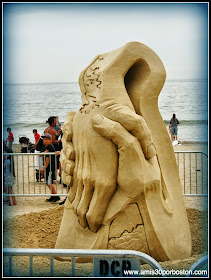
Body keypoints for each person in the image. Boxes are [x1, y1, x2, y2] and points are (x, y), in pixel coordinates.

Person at [39, 133, 60, 203]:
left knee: (49, 182)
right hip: (48, 167)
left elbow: (48, 158)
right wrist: (44, 152)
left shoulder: (50, 146)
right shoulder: (45, 147)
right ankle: (53, 195)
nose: (45, 141)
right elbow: (40, 154)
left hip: (50, 167)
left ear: (50, 140)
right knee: (48, 182)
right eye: (44, 139)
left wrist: (44, 168)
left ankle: (56, 196)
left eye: (46, 139)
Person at [3, 141, 17, 206]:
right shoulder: (11, 161)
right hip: (10, 176)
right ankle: (13, 201)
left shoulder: (7, 161)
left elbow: (4, 166)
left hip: (8, 177)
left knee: (9, 190)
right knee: (10, 190)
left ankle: (11, 202)